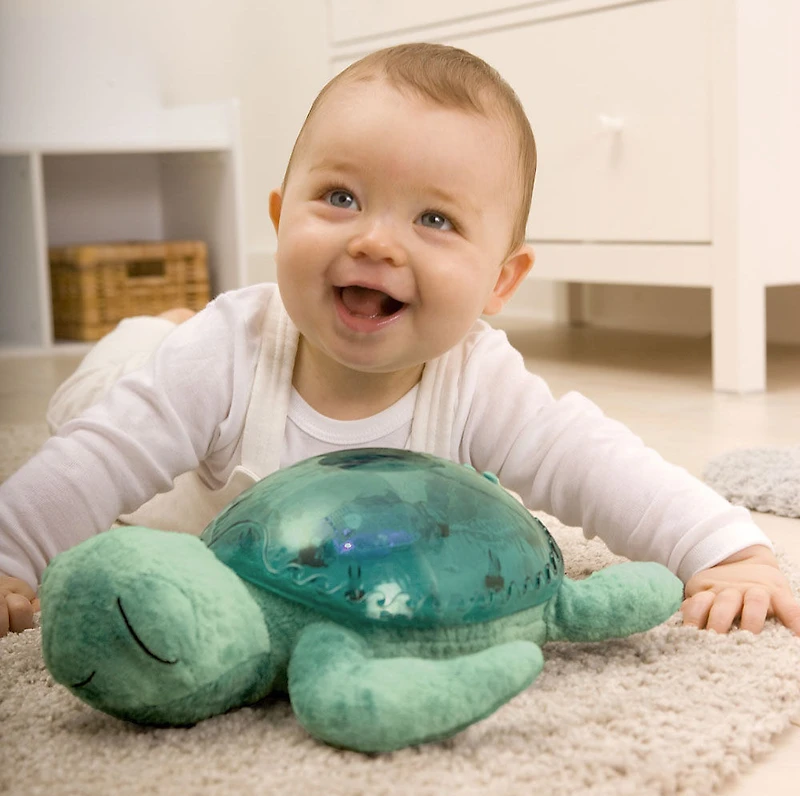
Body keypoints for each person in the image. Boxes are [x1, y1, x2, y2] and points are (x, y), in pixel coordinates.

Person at [1, 43, 798, 640]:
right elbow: (97, 458)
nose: (378, 242)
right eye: (341, 197)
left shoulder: (477, 378)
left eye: (436, 220)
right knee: (114, 386)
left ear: (500, 283)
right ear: (280, 220)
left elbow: (595, 463)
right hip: (164, 428)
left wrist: (729, 551)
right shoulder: (230, 354)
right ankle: (155, 329)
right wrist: (11, 555)